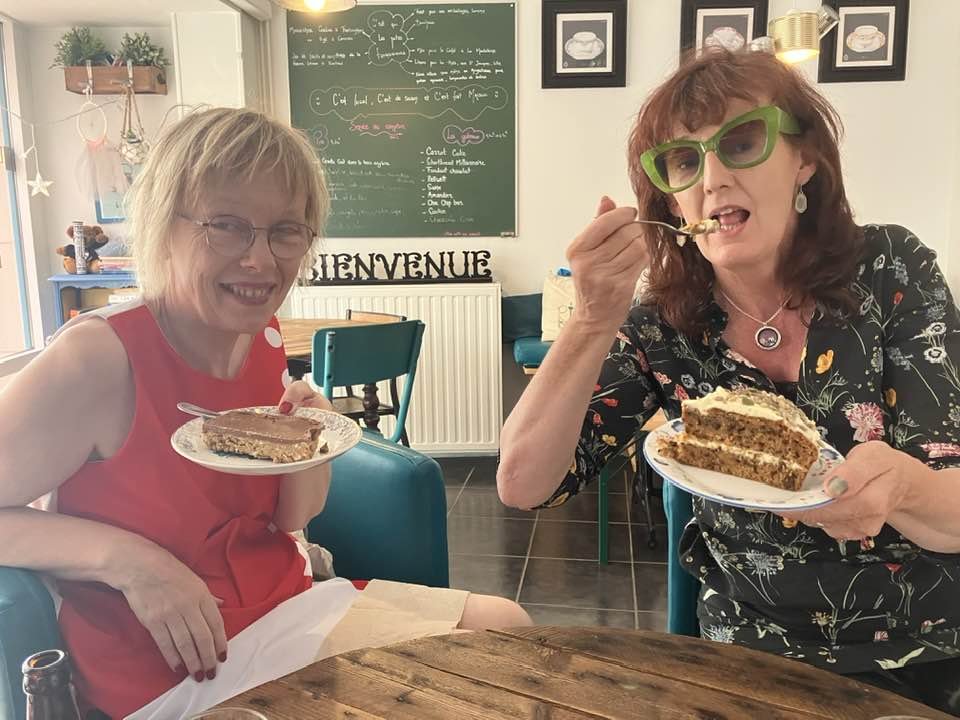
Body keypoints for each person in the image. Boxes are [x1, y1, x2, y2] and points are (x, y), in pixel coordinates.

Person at [0, 107, 530, 720]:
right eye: (226, 226)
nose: (260, 261)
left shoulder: (262, 335)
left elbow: (293, 518)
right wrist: (131, 562)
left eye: (286, 230)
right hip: (171, 665)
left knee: (509, 628)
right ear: (162, 224)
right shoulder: (99, 356)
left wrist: (309, 438)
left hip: (284, 605)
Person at [498, 48, 960, 716]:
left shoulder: (890, 271)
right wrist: (592, 318)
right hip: (746, 660)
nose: (711, 178)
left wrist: (901, 490)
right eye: (684, 160)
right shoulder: (664, 324)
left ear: (805, 159)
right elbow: (521, 481)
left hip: (926, 652)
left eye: (741, 143)